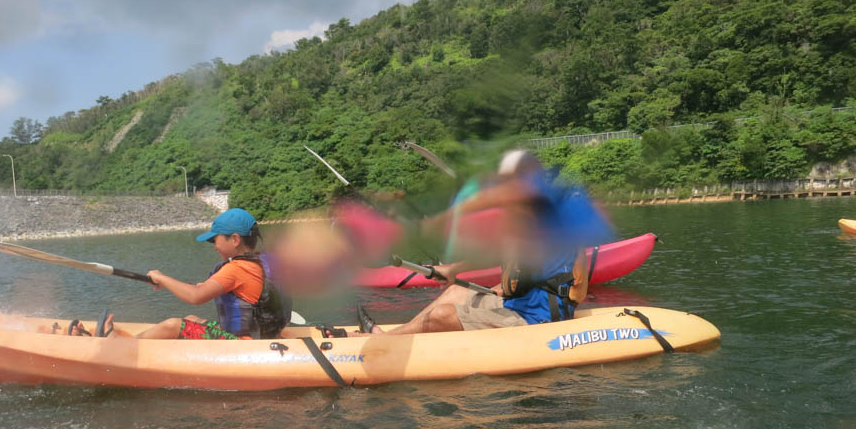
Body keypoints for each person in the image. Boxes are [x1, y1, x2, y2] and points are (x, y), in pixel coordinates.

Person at [352, 150, 609, 336]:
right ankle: (401, 333)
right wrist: (458, 271)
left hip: (538, 319)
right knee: (453, 293)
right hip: (517, 305)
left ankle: (387, 340)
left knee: (441, 316)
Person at [95, 208, 291, 340]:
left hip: (242, 343)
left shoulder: (236, 269)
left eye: (215, 240)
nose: (214, 246)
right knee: (191, 318)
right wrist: (170, 284)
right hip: (263, 334)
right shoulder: (261, 261)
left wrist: (161, 277)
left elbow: (196, 297)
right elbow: (235, 292)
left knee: (173, 325)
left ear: (235, 239)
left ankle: (121, 346)